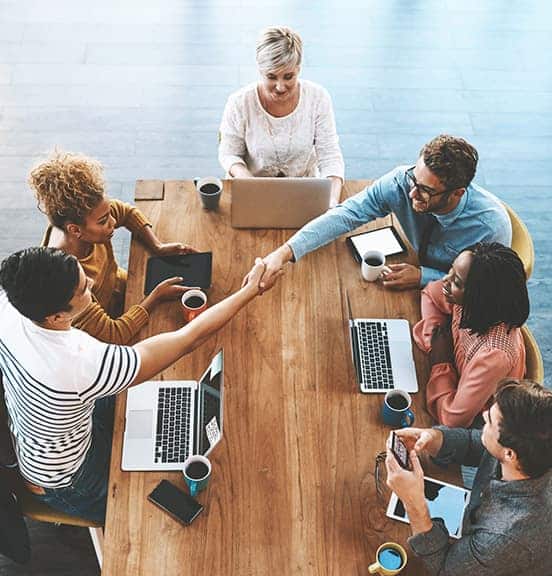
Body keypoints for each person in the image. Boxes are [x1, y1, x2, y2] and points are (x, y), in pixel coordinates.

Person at [0, 247, 275, 523]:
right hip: (68, 478)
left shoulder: (8, 305)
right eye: (84, 289)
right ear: (56, 316)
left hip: (54, 428)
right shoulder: (79, 362)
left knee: (157, 407)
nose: (92, 284)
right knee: (140, 518)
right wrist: (250, 291)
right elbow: (187, 340)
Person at [385, 379, 552, 576]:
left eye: (490, 421)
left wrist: (414, 503)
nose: (483, 414)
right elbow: (481, 445)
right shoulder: (529, 455)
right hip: (476, 537)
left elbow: (443, 567)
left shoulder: (508, 535)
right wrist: (432, 437)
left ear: (509, 454)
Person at [252, 134, 512, 291]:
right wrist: (284, 252)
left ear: (457, 193)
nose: (411, 193)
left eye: (425, 191)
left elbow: (485, 288)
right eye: (414, 178)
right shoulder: (402, 181)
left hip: (450, 301)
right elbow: (346, 214)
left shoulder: (490, 226)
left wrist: (424, 277)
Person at [29, 150, 198, 345]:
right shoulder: (67, 280)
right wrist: (155, 297)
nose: (113, 222)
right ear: (75, 230)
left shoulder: (87, 217)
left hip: (122, 289)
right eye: (103, 221)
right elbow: (114, 334)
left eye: (109, 213)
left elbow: (126, 212)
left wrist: (157, 246)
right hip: (106, 330)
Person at [218, 26, 344, 207]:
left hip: (305, 193)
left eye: (288, 76)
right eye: (271, 76)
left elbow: (330, 156)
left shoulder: (318, 98)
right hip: (253, 194)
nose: (280, 87)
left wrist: (331, 202)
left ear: (298, 69)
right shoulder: (239, 103)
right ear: (260, 70)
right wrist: (251, 184)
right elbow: (229, 154)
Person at [413, 242, 528, 427]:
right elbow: (430, 294)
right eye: (451, 269)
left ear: (481, 296)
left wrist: (441, 361)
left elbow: (452, 420)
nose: (445, 280)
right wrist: (434, 340)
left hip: (481, 425)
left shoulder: (494, 354)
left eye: (457, 282)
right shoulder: (467, 302)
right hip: (454, 385)